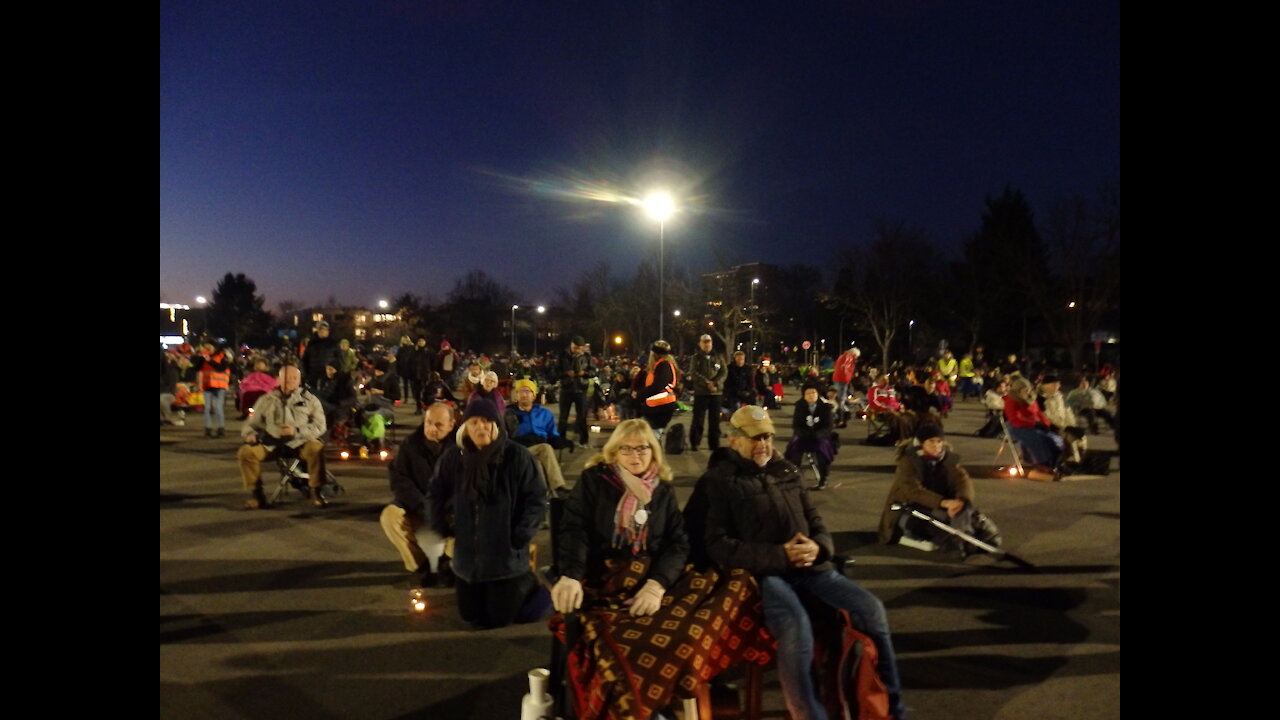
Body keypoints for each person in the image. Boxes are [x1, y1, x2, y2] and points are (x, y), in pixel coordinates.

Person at [690, 405, 907, 720]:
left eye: (767, 436)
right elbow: (716, 545)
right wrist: (781, 555)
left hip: (812, 568)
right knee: (796, 626)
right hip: (767, 575)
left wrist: (820, 548)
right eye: (755, 438)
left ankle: (892, 707)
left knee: (872, 610)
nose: (763, 444)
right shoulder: (720, 480)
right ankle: (807, 713)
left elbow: (816, 520)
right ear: (733, 440)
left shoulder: (787, 470)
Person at [550, 418, 774, 720]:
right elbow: (574, 530)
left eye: (642, 448)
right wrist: (571, 575)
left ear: (653, 452)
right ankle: (639, 703)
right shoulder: (594, 481)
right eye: (626, 448)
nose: (635, 455)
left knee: (704, 614)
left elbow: (677, 543)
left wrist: (657, 584)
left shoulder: (663, 491)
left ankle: (667, 694)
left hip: (651, 573)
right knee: (626, 645)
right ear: (614, 452)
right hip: (607, 576)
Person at [428, 398, 550, 629]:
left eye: (487, 422)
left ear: (497, 425)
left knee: (498, 619)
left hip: (505, 558)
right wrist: (440, 524)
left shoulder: (517, 456)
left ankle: (529, 585)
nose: (481, 427)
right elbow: (435, 491)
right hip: (467, 558)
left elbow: (536, 498)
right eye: (474, 422)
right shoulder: (455, 457)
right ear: (465, 427)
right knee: (470, 615)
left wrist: (520, 534)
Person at [878, 423, 1001, 556]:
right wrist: (944, 503)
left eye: (939, 441)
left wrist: (961, 500)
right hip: (908, 508)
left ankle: (976, 536)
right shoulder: (908, 462)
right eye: (931, 441)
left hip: (943, 504)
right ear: (921, 443)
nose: (936, 445)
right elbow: (912, 491)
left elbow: (962, 480)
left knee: (973, 517)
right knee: (936, 524)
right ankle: (958, 542)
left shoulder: (947, 459)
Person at [381, 402, 457, 588]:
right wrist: (422, 506)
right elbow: (400, 479)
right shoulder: (411, 444)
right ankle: (420, 565)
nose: (432, 429)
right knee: (389, 516)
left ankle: (447, 563)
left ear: (451, 424)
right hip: (418, 507)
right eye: (428, 423)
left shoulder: (462, 448)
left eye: (438, 425)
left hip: (450, 511)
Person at [238, 365, 330, 509]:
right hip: (272, 444)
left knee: (316, 448)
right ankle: (256, 495)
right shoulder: (266, 399)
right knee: (246, 452)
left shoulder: (310, 399)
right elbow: (250, 424)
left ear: (299, 380)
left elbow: (320, 425)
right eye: (286, 378)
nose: (290, 381)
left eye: (294, 378)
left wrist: (297, 430)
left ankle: (316, 491)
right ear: (278, 380)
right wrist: (250, 434)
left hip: (300, 443)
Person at [503, 378, 570, 496]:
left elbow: (552, 434)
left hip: (540, 450)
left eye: (528, 391)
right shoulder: (509, 414)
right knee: (545, 448)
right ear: (516, 395)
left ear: (533, 395)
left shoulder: (544, 413)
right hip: (519, 450)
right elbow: (504, 437)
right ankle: (558, 486)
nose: (524, 395)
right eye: (521, 391)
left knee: (540, 459)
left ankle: (546, 495)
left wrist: (561, 441)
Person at [1003, 373, 1064, 470]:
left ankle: (1053, 463)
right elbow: (1015, 419)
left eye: (1029, 389)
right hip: (1018, 428)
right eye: (1025, 389)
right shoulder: (1012, 400)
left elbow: (1038, 413)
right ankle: (1043, 463)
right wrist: (1034, 424)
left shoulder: (1031, 398)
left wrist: (1047, 424)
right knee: (1038, 438)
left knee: (1054, 439)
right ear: (1018, 390)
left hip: (1034, 426)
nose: (1028, 391)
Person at [784, 382, 838, 490]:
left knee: (823, 450)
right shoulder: (799, 406)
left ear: (818, 394)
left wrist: (818, 434)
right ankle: (794, 477)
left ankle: (824, 478)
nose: (811, 395)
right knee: (794, 449)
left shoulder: (826, 407)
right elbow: (796, 425)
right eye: (808, 393)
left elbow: (828, 427)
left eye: (813, 392)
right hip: (803, 435)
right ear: (803, 395)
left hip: (820, 436)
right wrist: (804, 434)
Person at [687, 333, 728, 452]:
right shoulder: (696, 358)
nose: (707, 344)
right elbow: (693, 373)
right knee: (698, 419)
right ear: (700, 344)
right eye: (704, 342)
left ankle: (714, 444)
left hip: (716, 393)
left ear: (711, 343)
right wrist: (706, 383)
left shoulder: (719, 357)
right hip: (701, 393)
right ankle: (695, 442)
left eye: (708, 341)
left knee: (715, 420)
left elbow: (724, 372)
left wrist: (715, 383)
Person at [555, 336, 595, 448]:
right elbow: (555, 371)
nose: (577, 350)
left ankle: (584, 440)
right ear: (571, 345)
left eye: (579, 348)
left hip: (581, 389)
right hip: (566, 389)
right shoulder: (562, 355)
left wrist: (584, 373)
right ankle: (561, 440)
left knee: (582, 416)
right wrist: (566, 373)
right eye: (575, 347)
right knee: (563, 416)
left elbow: (593, 371)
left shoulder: (586, 357)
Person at [639, 340, 681, 436]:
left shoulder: (663, 366)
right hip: (660, 406)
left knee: (652, 437)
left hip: (659, 407)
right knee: (653, 436)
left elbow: (657, 387)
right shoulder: (664, 365)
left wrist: (640, 395)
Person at [192, 341, 232, 438]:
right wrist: (200, 359)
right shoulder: (204, 357)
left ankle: (220, 428)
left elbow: (222, 367)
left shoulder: (222, 356)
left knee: (218, 408)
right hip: (207, 386)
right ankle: (208, 429)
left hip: (219, 386)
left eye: (209, 346)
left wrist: (210, 360)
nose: (207, 348)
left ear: (214, 347)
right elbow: (197, 368)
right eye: (206, 347)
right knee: (207, 409)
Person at [300, 321, 341, 391]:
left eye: (325, 329)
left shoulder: (333, 343)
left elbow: (338, 360)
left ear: (328, 331)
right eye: (321, 329)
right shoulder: (311, 343)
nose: (323, 331)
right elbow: (305, 360)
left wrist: (334, 372)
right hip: (313, 377)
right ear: (318, 330)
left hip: (328, 377)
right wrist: (305, 375)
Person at [830, 346, 860, 427]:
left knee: (841, 398)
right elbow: (844, 367)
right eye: (856, 356)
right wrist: (847, 375)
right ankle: (841, 417)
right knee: (841, 398)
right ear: (854, 354)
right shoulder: (848, 357)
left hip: (839, 378)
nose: (856, 358)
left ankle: (840, 415)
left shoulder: (843, 356)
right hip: (842, 379)